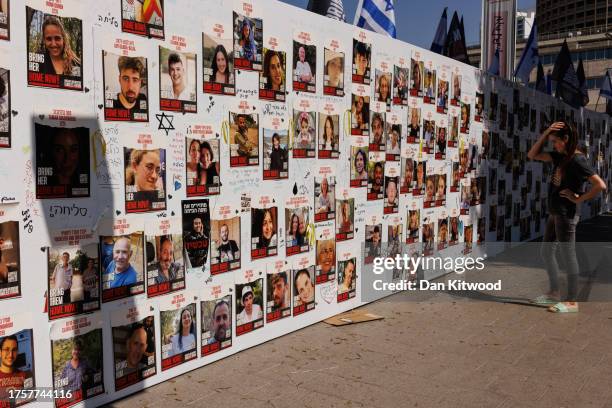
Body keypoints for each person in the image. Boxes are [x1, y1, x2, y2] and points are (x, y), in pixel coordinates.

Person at [527, 121, 606, 313]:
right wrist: (546, 132)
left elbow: (600, 185)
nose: (553, 145)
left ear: (566, 139)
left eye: (556, 141)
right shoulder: (559, 156)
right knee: (546, 252)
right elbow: (532, 154)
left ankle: (572, 301)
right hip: (556, 212)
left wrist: (579, 198)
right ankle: (554, 293)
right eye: (552, 141)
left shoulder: (577, 160)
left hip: (567, 215)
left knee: (568, 255)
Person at [0, 335, 31, 399]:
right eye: (6, 349)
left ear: (17, 352)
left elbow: (29, 400)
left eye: (14, 350)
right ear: (0, 352)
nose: (10, 354)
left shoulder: (25, 375)